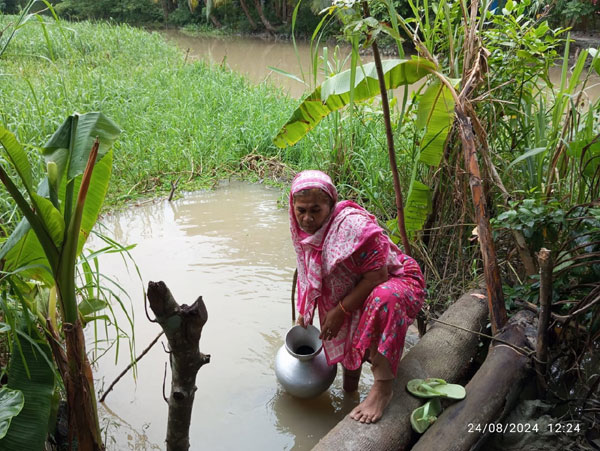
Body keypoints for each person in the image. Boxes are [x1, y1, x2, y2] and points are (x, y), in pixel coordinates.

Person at [289, 170, 425, 424]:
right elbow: (309, 273)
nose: (307, 218)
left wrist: (340, 310)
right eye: (301, 210)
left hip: (396, 281)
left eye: (315, 210)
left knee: (382, 300)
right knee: (348, 337)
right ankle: (350, 392)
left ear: (330, 205)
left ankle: (383, 388)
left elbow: (379, 275)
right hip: (357, 288)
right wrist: (304, 312)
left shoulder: (352, 226)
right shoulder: (307, 233)